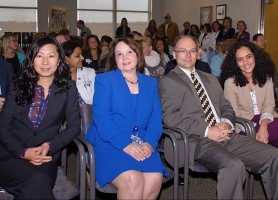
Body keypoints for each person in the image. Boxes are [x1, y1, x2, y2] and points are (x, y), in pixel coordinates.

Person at [159, 35, 278, 200]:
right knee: (233, 166)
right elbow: (170, 117)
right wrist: (208, 131)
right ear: (174, 54)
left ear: (198, 53)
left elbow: (227, 107)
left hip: (226, 134)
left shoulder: (210, 79)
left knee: (274, 156)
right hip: (194, 140)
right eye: (183, 51)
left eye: (192, 50)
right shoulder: (168, 81)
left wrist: (227, 123)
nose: (188, 55)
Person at [85, 37, 167, 200]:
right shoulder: (104, 81)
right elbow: (102, 121)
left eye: (129, 52)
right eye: (119, 54)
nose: (125, 57)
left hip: (142, 141)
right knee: (133, 180)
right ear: (114, 59)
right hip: (109, 142)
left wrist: (150, 143)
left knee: (155, 178)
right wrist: (125, 145)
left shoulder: (150, 83)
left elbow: (156, 120)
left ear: (138, 55)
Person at [0, 36, 81, 199]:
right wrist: (23, 152)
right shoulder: (18, 84)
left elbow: (74, 127)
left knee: (36, 182)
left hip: (45, 156)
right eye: (39, 56)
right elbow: (3, 126)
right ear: (32, 59)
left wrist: (49, 146)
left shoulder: (68, 88)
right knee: (37, 183)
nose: (45, 62)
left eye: (51, 56)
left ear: (59, 60)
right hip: (10, 154)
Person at [221, 42, 278, 200]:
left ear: (255, 57)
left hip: (268, 121)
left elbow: (270, 104)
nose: (246, 62)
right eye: (240, 59)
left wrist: (264, 125)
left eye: (249, 57)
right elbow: (233, 114)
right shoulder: (230, 82)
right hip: (245, 126)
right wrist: (257, 127)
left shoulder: (266, 77)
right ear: (235, 63)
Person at [62, 40, 95, 105]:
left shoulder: (90, 73)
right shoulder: (57, 77)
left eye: (81, 54)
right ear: (66, 58)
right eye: (77, 56)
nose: (82, 58)